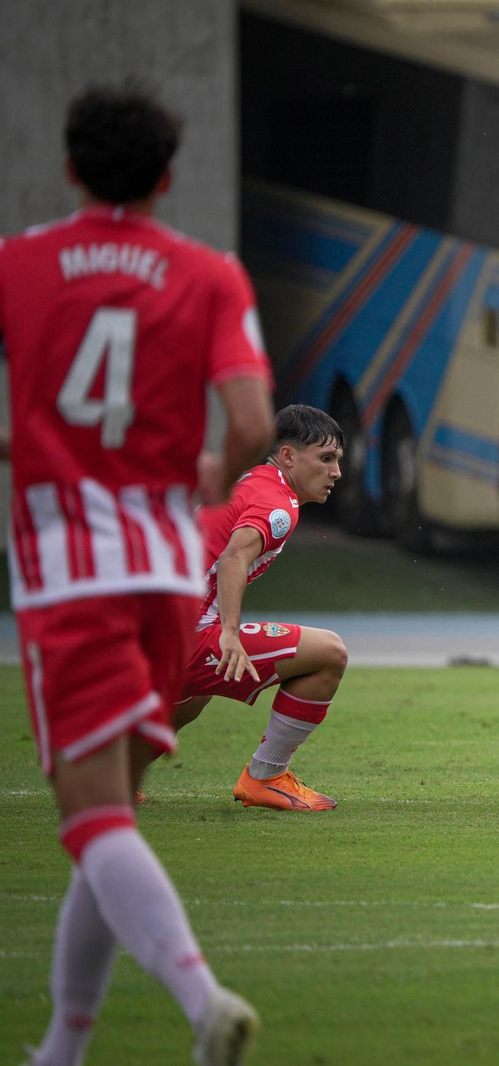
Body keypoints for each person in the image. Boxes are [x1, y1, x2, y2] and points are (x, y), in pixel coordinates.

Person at [2, 84, 276, 1066]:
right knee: (115, 815)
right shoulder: (208, 275)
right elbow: (250, 424)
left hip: (69, 571)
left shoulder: (18, 263)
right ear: (166, 178)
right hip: (167, 574)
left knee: (93, 823)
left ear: (69, 165)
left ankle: (202, 998)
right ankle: (61, 1048)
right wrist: (197, 470)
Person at [168, 405, 349, 811]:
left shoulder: (253, 481)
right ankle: (265, 776)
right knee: (330, 653)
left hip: (158, 634)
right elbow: (234, 557)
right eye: (326, 459)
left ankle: (120, 774)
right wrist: (229, 633)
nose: (336, 472)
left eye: (337, 461)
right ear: (288, 456)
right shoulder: (279, 504)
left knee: (192, 699)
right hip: (189, 635)